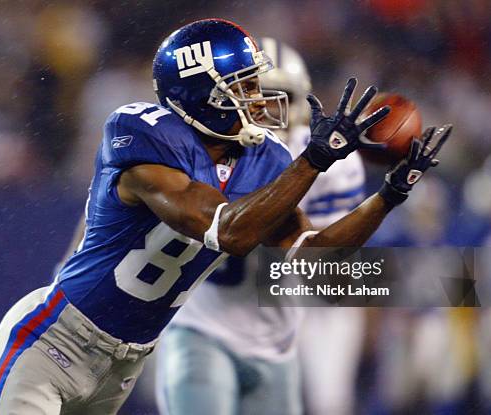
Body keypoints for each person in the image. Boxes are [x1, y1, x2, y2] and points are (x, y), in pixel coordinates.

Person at [0, 18, 450, 415]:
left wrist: (389, 195)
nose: (259, 98)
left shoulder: (265, 159)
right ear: (201, 93)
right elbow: (228, 232)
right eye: (243, 85)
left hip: (125, 365)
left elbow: (315, 259)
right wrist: (314, 161)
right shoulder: (143, 137)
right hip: (56, 339)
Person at [155, 37, 367, 415]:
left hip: (280, 330)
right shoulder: (201, 151)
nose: (263, 107)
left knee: (332, 401)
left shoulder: (334, 165)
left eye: (276, 95)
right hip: (202, 322)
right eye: (252, 92)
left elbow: (330, 276)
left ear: (303, 103)